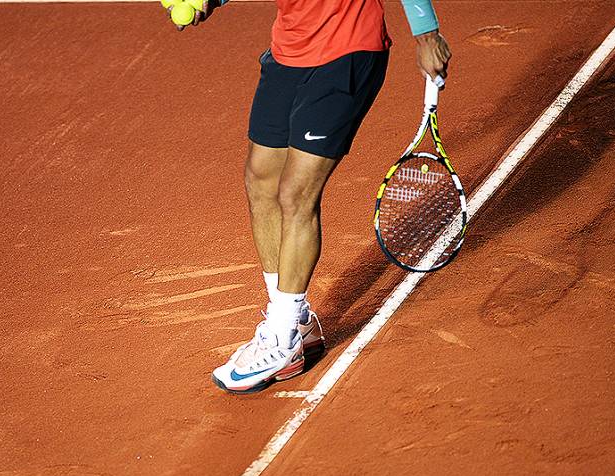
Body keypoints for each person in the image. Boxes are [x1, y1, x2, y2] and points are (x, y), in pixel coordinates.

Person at [177, 0, 452, 393]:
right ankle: (295, 320)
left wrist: (426, 33)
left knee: (295, 194)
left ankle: (283, 337)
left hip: (347, 51)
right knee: (261, 180)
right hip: (289, 50)